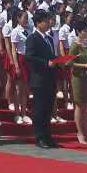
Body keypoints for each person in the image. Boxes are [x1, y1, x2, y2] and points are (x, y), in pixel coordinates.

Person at [26, 10, 60, 149]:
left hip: (50, 78)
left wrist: (59, 61)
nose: (48, 23)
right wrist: (46, 63)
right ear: (38, 23)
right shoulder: (33, 38)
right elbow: (29, 57)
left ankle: (48, 136)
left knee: (48, 109)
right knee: (40, 109)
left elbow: (52, 56)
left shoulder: (49, 38)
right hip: (39, 79)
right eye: (45, 21)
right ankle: (39, 137)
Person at [68, 19, 87, 145]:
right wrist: (84, 65)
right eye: (84, 31)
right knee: (79, 106)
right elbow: (69, 62)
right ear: (78, 32)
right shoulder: (75, 45)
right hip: (78, 78)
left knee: (86, 107)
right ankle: (80, 133)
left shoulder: (86, 44)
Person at [6, 8, 32, 125]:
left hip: (28, 60)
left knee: (25, 89)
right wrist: (16, 65)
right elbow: (13, 49)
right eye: (24, 18)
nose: (26, 20)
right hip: (20, 59)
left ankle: (24, 113)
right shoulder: (15, 31)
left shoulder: (29, 30)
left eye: (27, 18)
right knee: (18, 89)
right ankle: (17, 114)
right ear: (18, 18)